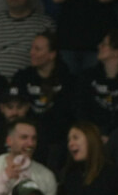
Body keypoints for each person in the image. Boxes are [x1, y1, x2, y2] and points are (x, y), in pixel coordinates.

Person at [10, 31, 73, 168]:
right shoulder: (22, 77)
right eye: (32, 48)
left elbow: (68, 116)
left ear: (52, 54)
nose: (32, 52)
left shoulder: (68, 79)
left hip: (56, 140)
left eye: (37, 49)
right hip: (28, 136)